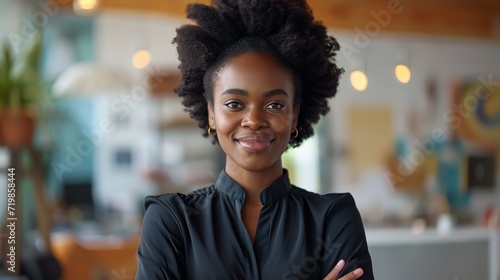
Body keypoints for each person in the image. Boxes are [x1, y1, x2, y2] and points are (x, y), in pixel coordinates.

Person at [136, 0, 374, 279]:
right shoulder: (171, 221)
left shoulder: (333, 219)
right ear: (211, 113)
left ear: (295, 115)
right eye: (235, 104)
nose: (254, 120)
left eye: (275, 105)